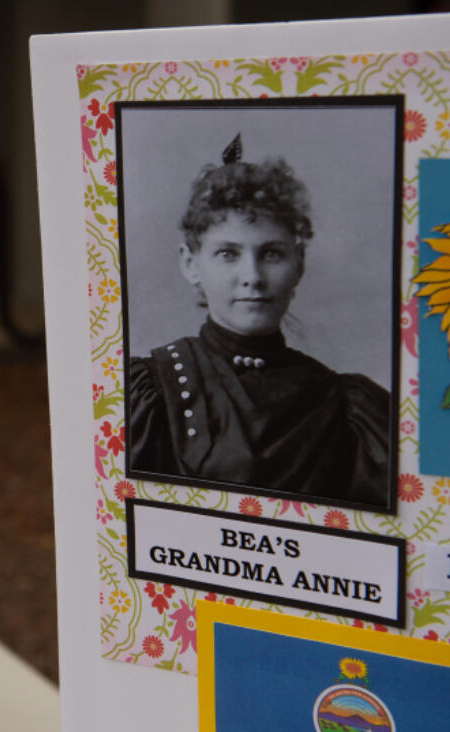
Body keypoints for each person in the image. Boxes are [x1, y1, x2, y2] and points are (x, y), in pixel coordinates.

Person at [128, 134, 390, 509]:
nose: (252, 276)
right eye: (227, 254)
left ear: (298, 263)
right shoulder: (150, 393)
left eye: (271, 253)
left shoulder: (345, 408)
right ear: (190, 264)